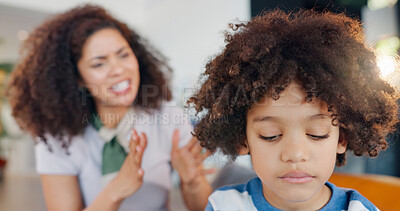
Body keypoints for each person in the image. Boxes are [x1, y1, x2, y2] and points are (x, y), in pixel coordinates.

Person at [188, 9, 399, 211]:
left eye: (317, 133)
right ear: (242, 139)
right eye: (270, 135)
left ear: (341, 138)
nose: (295, 154)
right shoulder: (223, 205)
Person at [7, 4, 212, 211]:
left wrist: (192, 182)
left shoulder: (168, 116)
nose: (118, 69)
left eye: (123, 55)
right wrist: (116, 190)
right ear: (78, 78)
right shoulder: (58, 137)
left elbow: (204, 207)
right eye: (99, 64)